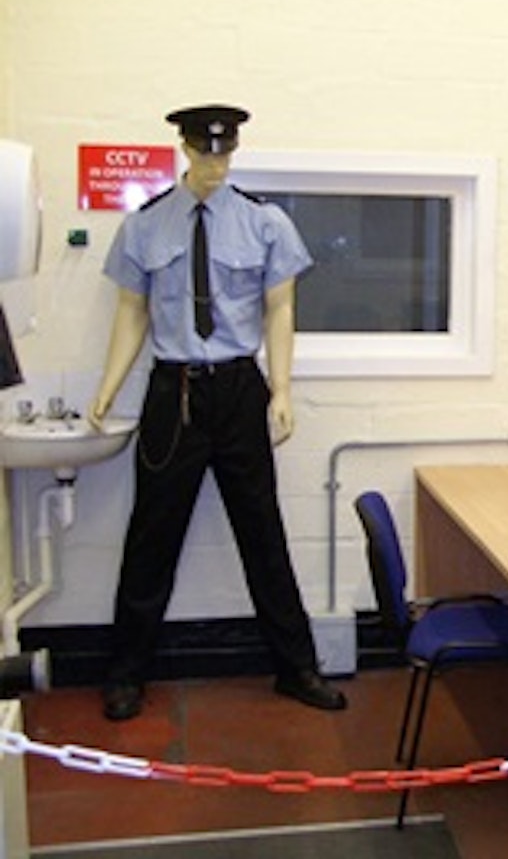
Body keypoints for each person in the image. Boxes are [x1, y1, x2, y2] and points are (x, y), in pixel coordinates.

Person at [89, 104, 345, 721]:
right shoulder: (145, 225)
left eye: (224, 153)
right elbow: (131, 312)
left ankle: (297, 668)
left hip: (237, 390)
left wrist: (281, 389)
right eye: (205, 154)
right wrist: (107, 387)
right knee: (152, 536)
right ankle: (125, 675)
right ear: (184, 149)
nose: (215, 164)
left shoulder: (264, 222)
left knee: (263, 532)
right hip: (173, 392)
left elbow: (280, 309)